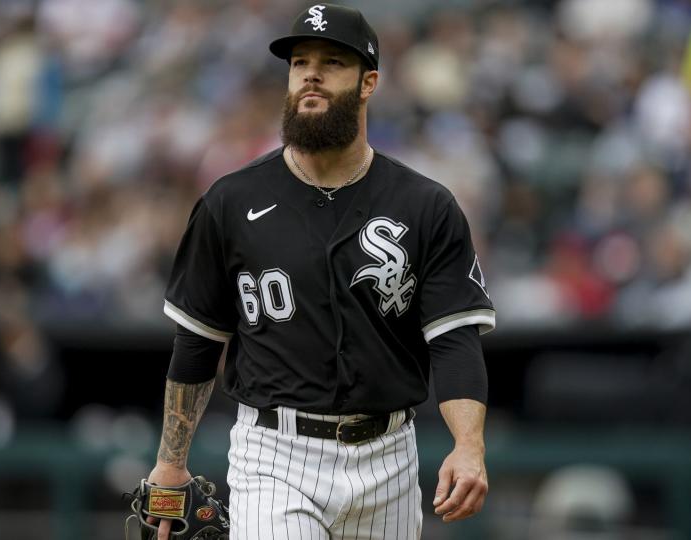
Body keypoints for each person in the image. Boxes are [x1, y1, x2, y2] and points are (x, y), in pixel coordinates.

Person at [147, 4, 496, 539]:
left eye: (332, 62)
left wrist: (469, 447)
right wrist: (171, 464)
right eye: (299, 61)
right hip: (274, 453)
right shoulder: (230, 202)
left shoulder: (426, 205)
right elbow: (197, 342)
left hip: (390, 458)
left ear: (368, 83)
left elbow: (454, 341)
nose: (310, 72)